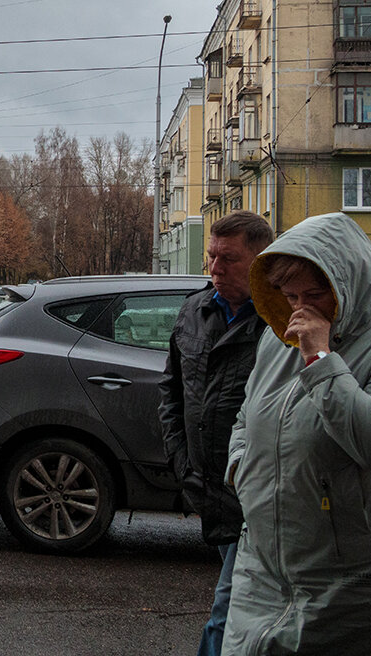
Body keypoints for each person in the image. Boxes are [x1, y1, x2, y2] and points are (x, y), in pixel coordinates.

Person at [222, 213, 371, 655]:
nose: (301, 307)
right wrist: (241, 470)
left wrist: (321, 360)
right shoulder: (277, 339)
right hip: (265, 569)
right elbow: (247, 418)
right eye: (290, 294)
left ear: (349, 282)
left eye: (316, 294)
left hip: (358, 581)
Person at [158, 210, 274, 656]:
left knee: (228, 613)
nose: (214, 269)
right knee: (238, 609)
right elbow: (171, 391)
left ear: (260, 260)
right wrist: (181, 460)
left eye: (228, 259)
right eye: (211, 257)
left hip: (258, 497)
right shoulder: (195, 309)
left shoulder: (279, 321)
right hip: (209, 487)